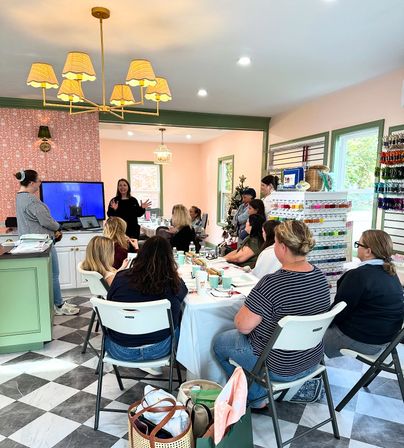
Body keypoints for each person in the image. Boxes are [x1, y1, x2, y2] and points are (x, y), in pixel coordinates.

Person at [214, 220, 330, 407]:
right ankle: (262, 390)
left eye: (275, 242)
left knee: (219, 343)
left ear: (283, 248)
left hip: (279, 366)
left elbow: (243, 326)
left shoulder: (272, 283)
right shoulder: (320, 278)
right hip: (311, 361)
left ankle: (255, 396)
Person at [106, 236, 188, 364]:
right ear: (169, 258)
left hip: (119, 349)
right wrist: (175, 276)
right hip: (159, 349)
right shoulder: (172, 283)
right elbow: (183, 294)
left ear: (141, 254)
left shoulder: (121, 277)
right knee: (181, 319)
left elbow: (109, 301)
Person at [324, 230, 404, 358]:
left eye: (358, 245)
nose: (357, 248)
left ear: (368, 251)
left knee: (310, 338)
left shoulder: (358, 275)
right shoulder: (391, 274)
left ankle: (306, 371)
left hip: (366, 341)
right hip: (387, 341)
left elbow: (339, 312)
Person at [14, 169, 79, 316]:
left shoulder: (19, 198)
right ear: (31, 183)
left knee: (44, 276)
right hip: (41, 244)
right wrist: (58, 227)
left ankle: (53, 303)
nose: (40, 183)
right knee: (53, 274)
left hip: (29, 243)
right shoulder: (31, 200)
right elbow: (46, 221)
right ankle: (59, 305)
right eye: (38, 181)